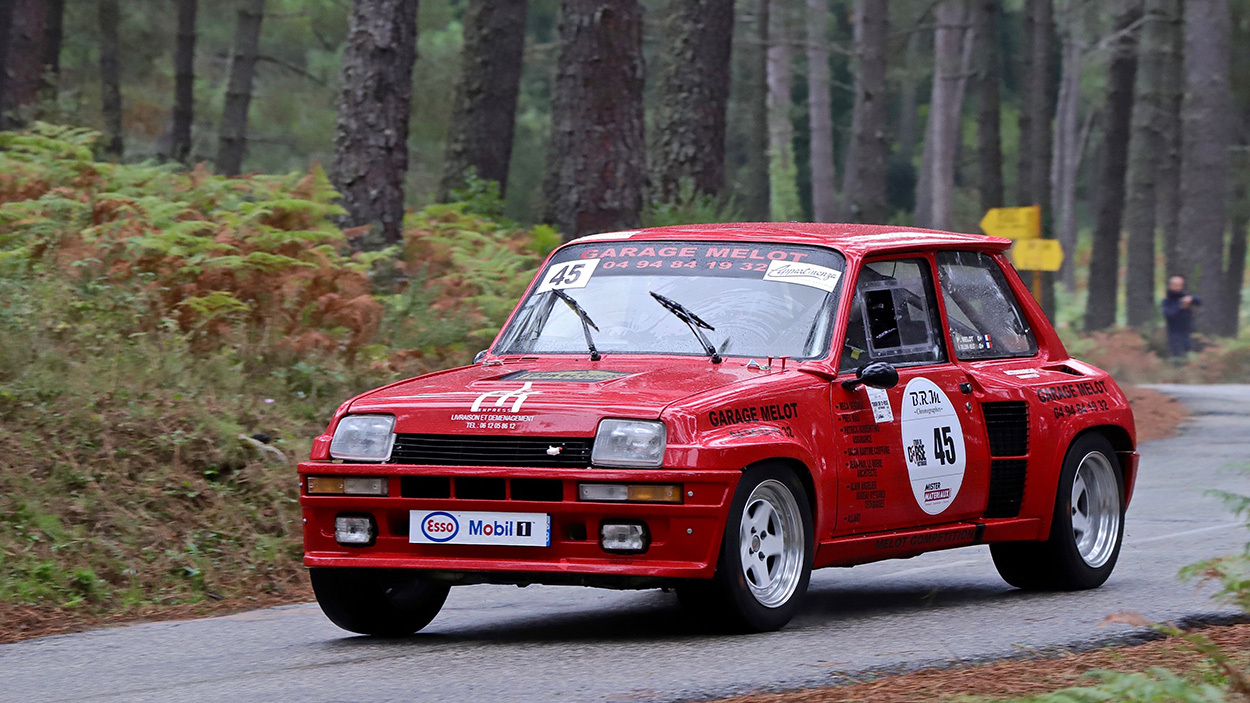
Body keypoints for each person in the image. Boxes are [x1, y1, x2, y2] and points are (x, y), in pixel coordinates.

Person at [1161, 275, 1201, 357]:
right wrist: (1180, 307)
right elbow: (1168, 314)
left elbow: (1198, 301)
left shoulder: (1185, 297)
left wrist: (1191, 298)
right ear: (1170, 285)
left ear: (1182, 286)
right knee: (1177, 357)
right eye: (1174, 285)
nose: (1176, 287)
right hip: (1174, 334)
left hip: (1187, 333)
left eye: (1179, 285)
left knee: (1189, 354)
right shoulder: (1167, 301)